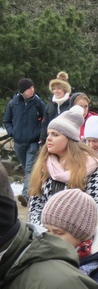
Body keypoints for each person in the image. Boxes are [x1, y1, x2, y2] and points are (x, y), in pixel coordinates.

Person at [28, 105, 98, 226]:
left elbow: (94, 206)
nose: (48, 138)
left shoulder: (91, 166)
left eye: (55, 134)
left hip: (77, 236)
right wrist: (43, 230)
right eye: (49, 134)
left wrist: (67, 233)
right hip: (45, 236)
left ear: (69, 139)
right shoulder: (44, 164)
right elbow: (35, 204)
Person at [3, 77, 46, 206]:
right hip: (18, 142)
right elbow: (6, 121)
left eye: (33, 87)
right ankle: (34, 189)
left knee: (29, 169)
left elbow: (45, 120)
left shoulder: (38, 103)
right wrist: (12, 132)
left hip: (33, 142)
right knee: (27, 168)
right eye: (29, 88)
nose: (32, 90)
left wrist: (38, 134)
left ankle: (26, 194)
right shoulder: (13, 103)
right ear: (22, 90)